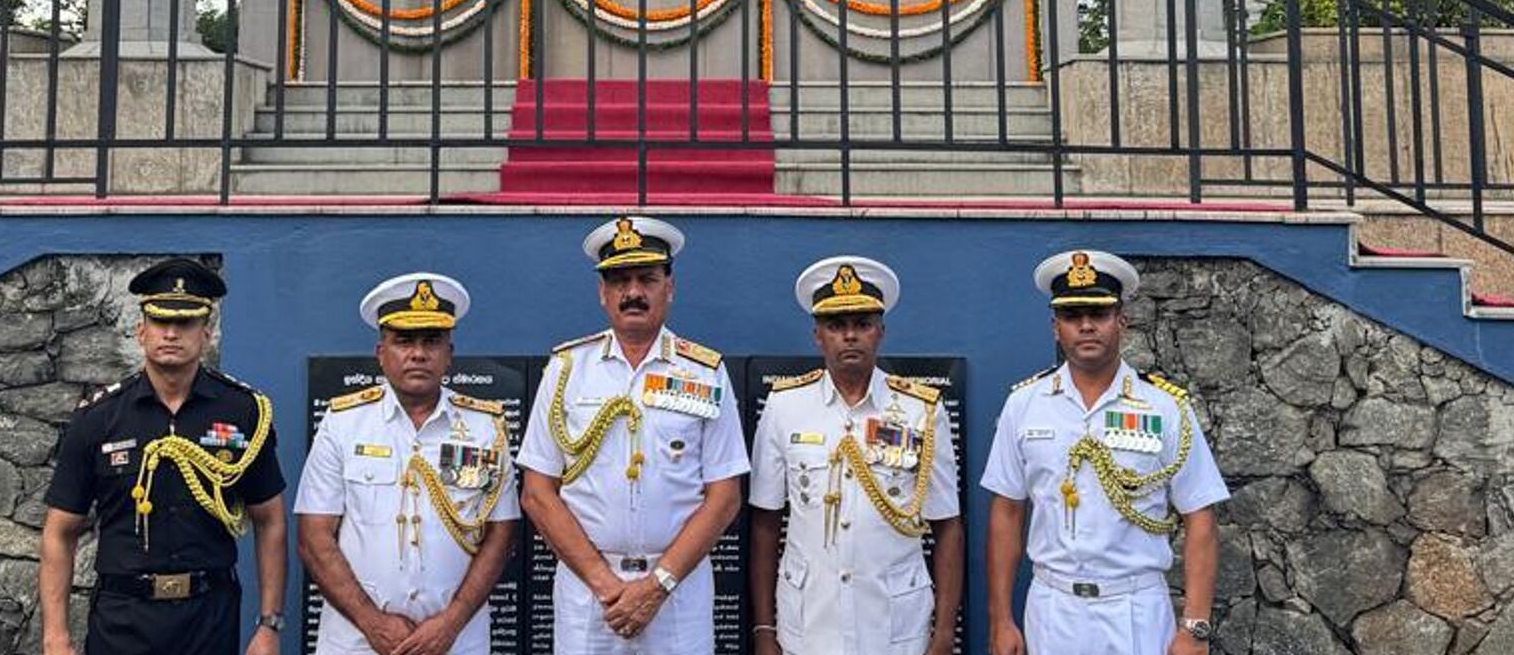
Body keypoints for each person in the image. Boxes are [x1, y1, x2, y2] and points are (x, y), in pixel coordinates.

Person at [516, 216, 751, 654]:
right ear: (602, 293)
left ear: (670, 287)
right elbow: (537, 492)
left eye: (647, 278)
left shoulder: (704, 371)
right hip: (589, 592)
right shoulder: (567, 371)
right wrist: (605, 583)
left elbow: (724, 496)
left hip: (677, 590)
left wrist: (656, 586)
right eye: (620, 281)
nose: (634, 293)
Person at [981, 250, 1230, 655]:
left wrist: (1195, 628)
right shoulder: (1024, 404)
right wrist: (1001, 619)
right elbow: (1007, 510)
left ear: (1121, 322)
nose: (1086, 326)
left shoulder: (1164, 407)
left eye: (1098, 313)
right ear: (1054, 327)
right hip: (1052, 608)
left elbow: (1200, 515)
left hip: (1136, 610)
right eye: (1072, 315)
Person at [40, 257, 288, 655]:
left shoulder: (242, 414)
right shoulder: (99, 419)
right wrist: (55, 636)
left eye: (186, 323)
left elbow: (270, 519)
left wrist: (269, 624)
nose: (171, 333)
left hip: (208, 618)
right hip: (123, 621)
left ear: (205, 334)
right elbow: (60, 531)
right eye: (160, 322)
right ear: (141, 332)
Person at [747, 256, 963, 655]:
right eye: (836, 325)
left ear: (881, 332)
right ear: (817, 335)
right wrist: (763, 628)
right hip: (808, 623)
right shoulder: (784, 407)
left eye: (862, 324)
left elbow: (947, 525)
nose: (850, 336)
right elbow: (765, 521)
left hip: (896, 625)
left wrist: (945, 632)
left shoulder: (922, 412)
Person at [297, 272, 521, 655]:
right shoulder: (343, 423)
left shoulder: (485, 427)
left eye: (432, 341)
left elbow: (500, 535)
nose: (418, 353)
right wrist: (372, 622)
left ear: (449, 354)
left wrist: (452, 621)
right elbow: (314, 536)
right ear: (380, 353)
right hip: (357, 641)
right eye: (403, 341)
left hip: (456, 640)